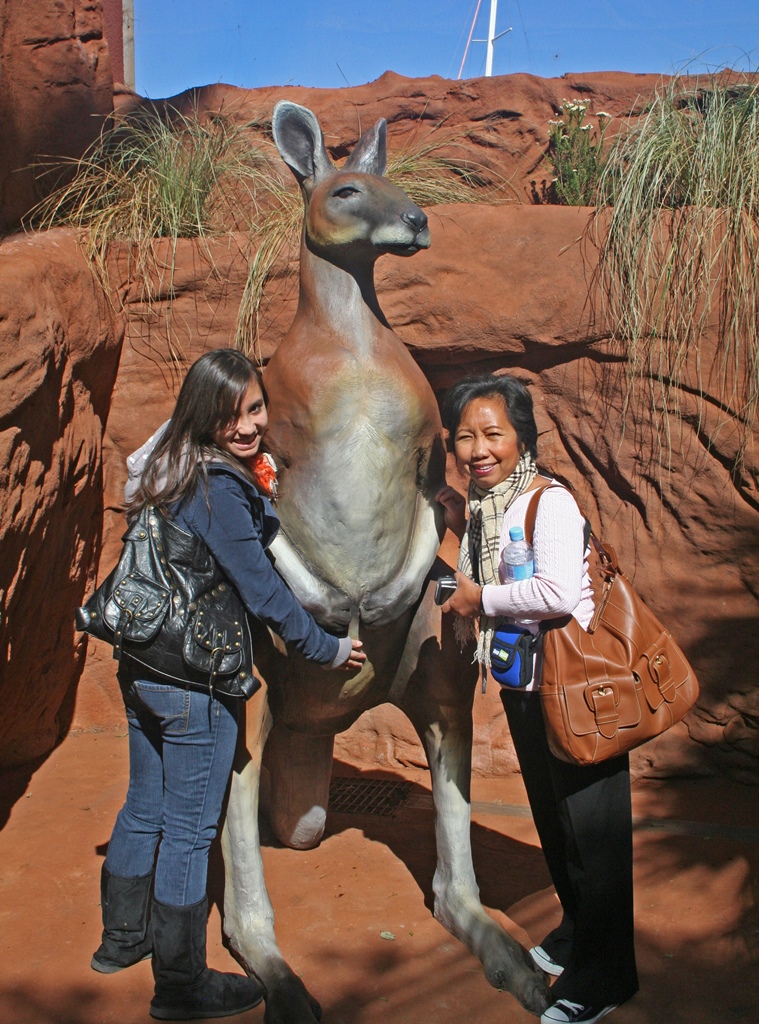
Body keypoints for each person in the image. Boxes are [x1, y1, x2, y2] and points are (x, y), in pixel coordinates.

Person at [91, 348, 365, 1021]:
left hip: (142, 668)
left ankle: (121, 939)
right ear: (203, 414)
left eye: (254, 408)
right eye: (230, 413)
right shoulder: (218, 487)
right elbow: (264, 592)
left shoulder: (165, 465)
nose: (247, 425)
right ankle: (181, 984)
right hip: (192, 681)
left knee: (144, 806)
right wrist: (324, 649)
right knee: (189, 830)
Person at [436, 373, 638, 1024]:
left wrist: (479, 600)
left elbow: (553, 591)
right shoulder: (487, 510)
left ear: (521, 437)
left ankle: (603, 980)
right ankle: (579, 934)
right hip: (528, 685)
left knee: (595, 837)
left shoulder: (546, 501)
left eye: (492, 433)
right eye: (465, 437)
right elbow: (496, 563)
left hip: (578, 689)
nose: (478, 449)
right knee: (558, 827)